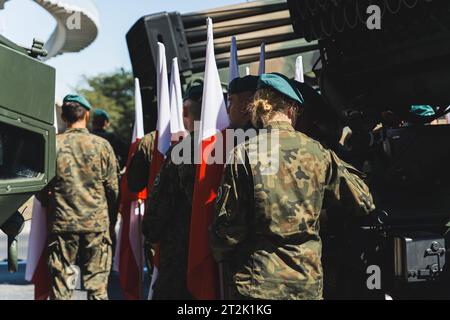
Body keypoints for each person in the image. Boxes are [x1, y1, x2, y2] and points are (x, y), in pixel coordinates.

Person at [209, 73, 376, 300]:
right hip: (306, 283)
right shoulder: (318, 152)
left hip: (259, 284)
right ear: (291, 110)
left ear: (260, 108)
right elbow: (363, 201)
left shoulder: (243, 154)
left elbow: (228, 230)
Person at [41, 94, 119, 300]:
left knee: (62, 291)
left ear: (65, 117)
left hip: (63, 225)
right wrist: (110, 219)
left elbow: (41, 187)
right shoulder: (102, 145)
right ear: (86, 114)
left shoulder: (53, 145)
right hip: (96, 226)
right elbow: (113, 189)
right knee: (97, 290)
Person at [142, 84, 203, 299]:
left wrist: (150, 231)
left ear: (186, 112)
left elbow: (159, 204)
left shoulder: (182, 150)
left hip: (180, 254)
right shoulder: (233, 144)